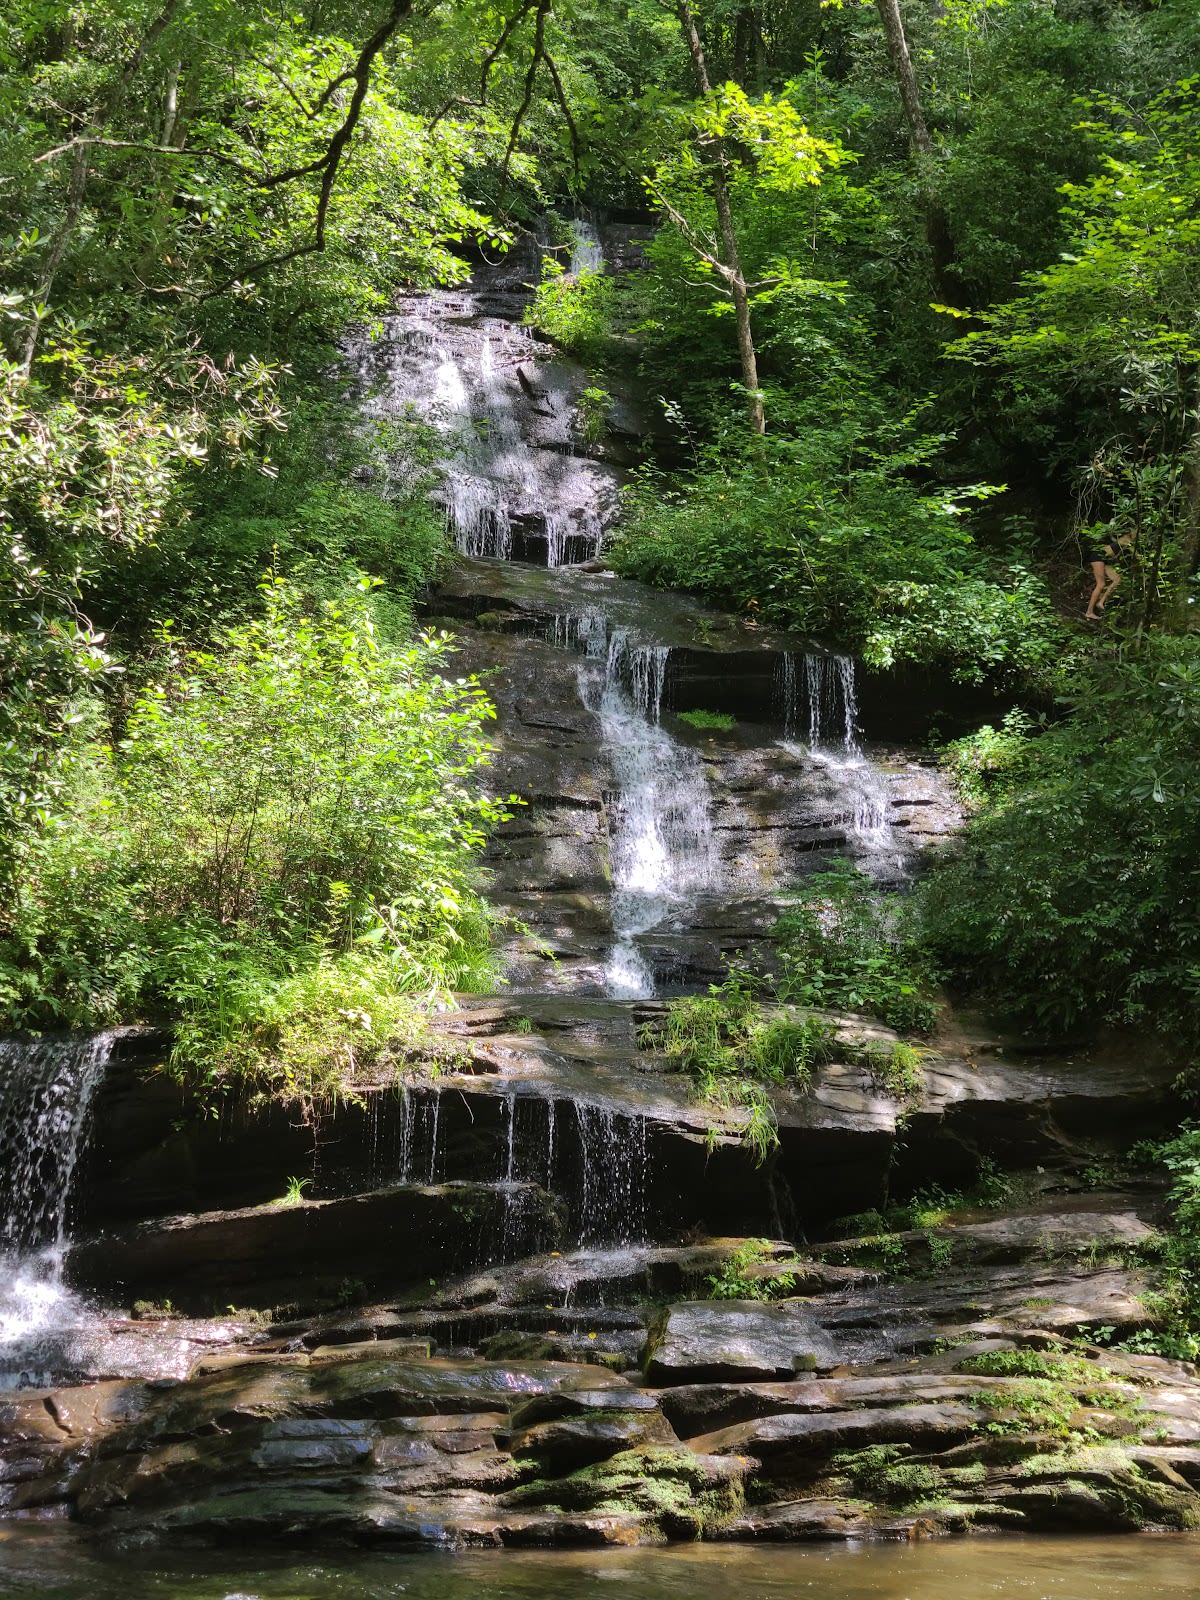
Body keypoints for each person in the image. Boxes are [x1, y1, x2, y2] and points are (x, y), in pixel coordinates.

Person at [1083, 527, 1135, 620]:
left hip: (1105, 560)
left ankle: (1100, 602)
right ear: (1131, 533)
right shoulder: (1126, 539)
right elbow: (1136, 554)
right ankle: (1089, 612)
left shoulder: (1128, 542)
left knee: (1117, 580)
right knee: (1101, 584)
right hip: (1098, 556)